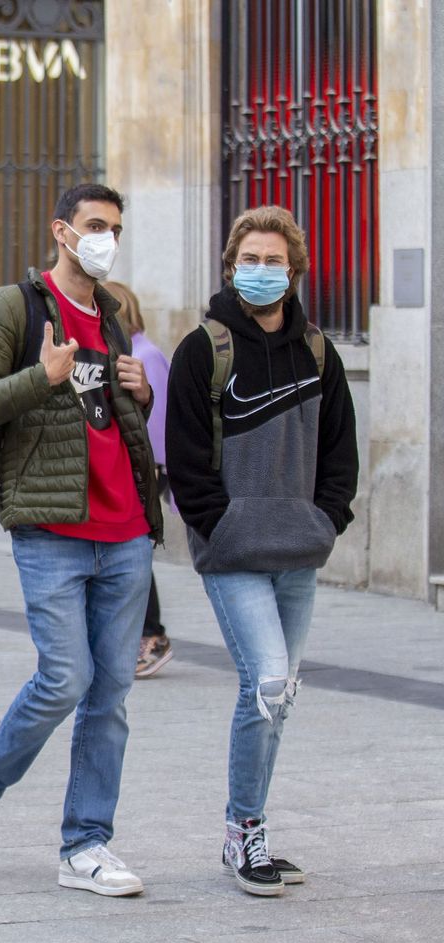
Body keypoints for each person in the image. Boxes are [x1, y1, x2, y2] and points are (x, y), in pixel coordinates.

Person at [0, 183, 160, 897]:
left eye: (116, 228)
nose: (107, 239)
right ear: (62, 232)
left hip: (124, 531)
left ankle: (86, 846)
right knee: (65, 678)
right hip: (52, 528)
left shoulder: (114, 318)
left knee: (112, 694)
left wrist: (142, 394)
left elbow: (110, 422)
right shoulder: (17, 306)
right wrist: (42, 375)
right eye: (96, 225)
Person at [165, 206, 358, 897]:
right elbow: (183, 461)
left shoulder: (316, 351)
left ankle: (247, 827)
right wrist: (220, 526)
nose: (262, 271)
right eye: (251, 258)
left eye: (275, 261)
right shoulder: (203, 349)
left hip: (298, 551)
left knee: (283, 696)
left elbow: (341, 451)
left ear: (295, 271)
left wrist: (327, 518)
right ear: (230, 266)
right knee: (267, 682)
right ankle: (243, 829)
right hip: (235, 554)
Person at [104, 281, 175, 678]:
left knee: (135, 555)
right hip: (130, 469)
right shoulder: (124, 355)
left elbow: (161, 425)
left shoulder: (145, 356)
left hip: (146, 470)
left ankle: (152, 636)